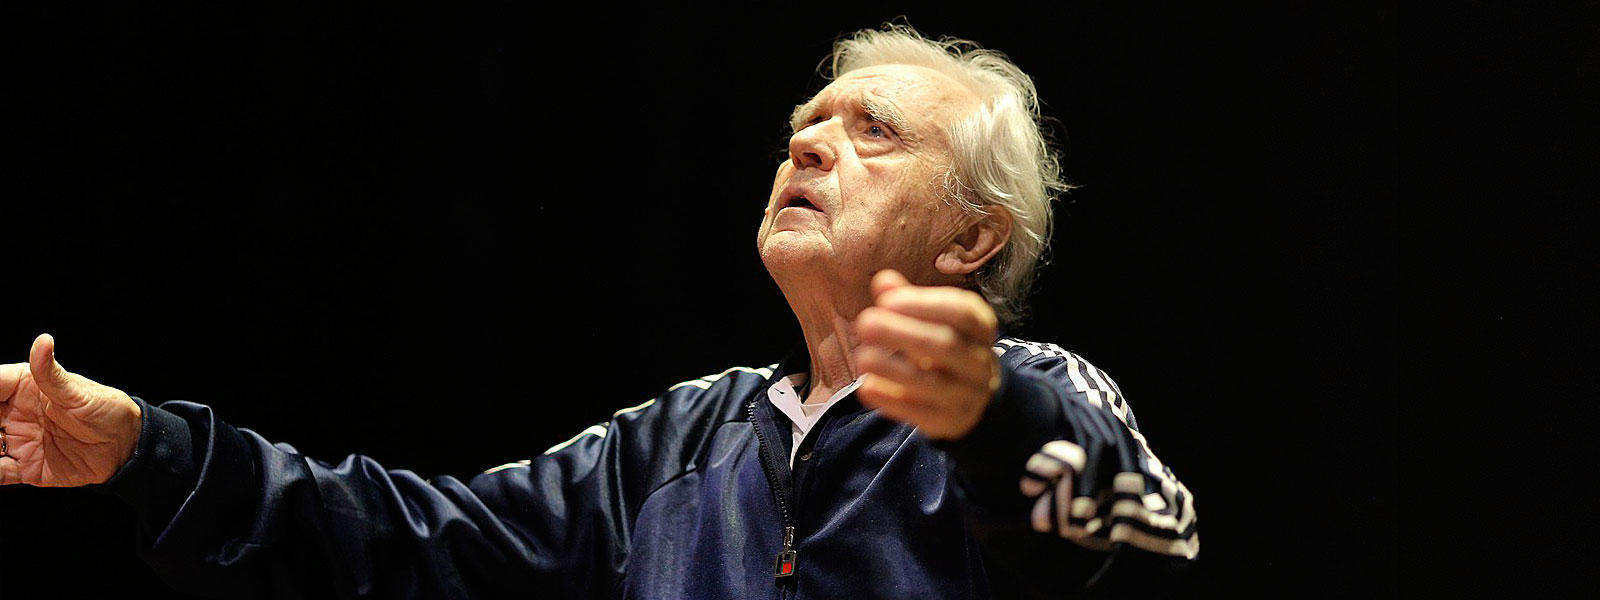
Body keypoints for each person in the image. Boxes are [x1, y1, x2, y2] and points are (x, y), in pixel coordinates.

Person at [0, 25, 1198, 599]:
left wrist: (990, 416)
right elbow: (413, 541)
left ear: (971, 236)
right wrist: (150, 449)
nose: (808, 145)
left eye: (873, 131)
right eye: (807, 126)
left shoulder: (1040, 392)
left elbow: (1147, 539)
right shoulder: (677, 442)